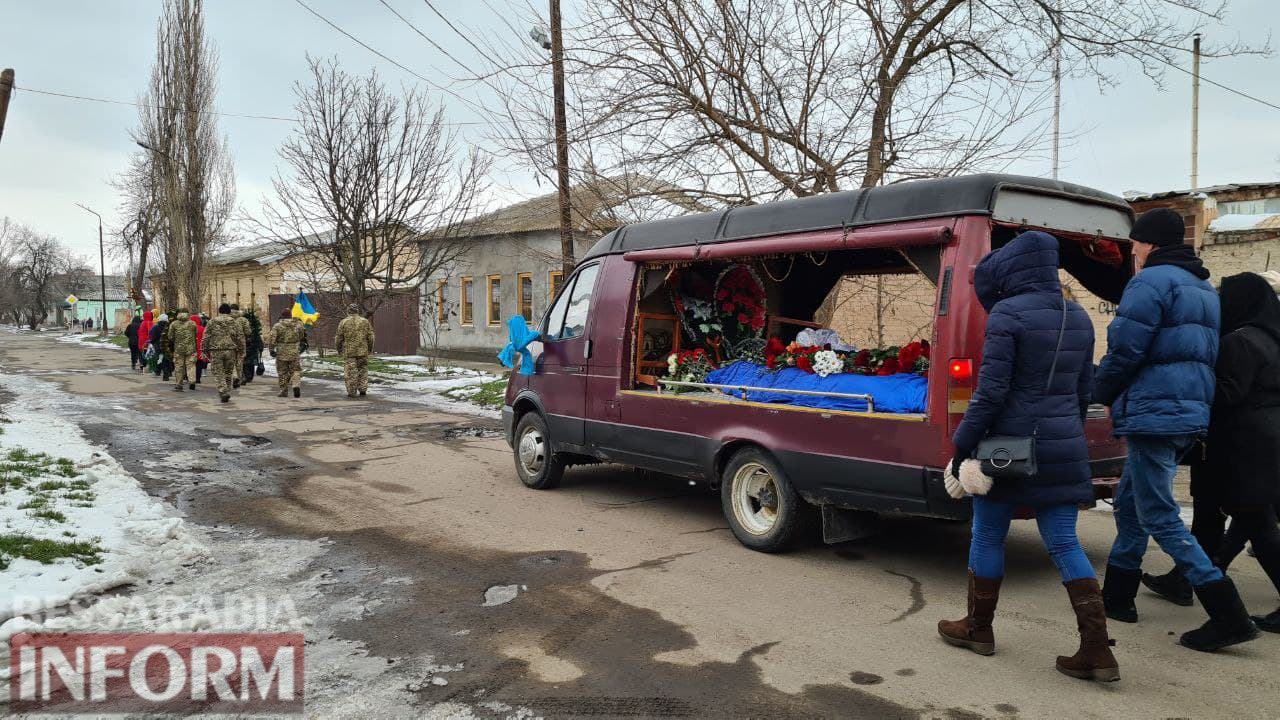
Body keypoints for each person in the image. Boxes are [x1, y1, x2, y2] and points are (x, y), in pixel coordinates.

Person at [938, 231, 1117, 681]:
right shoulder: (1077, 316)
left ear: (1013, 270)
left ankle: (978, 629)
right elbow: (1082, 392)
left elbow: (992, 391)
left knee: (987, 534)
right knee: (1063, 541)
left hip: (1008, 446)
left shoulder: (1007, 313)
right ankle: (1097, 649)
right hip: (1064, 443)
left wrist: (963, 444)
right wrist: (1065, 434)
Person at [1095, 208, 1258, 653]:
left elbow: (1126, 349)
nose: (1132, 251)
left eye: (1134, 244)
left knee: (1159, 515)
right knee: (1131, 502)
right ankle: (1118, 597)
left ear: (1149, 245)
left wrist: (1097, 392)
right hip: (1186, 409)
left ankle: (1228, 613)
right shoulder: (1203, 288)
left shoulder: (1149, 282)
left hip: (1153, 410)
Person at [204, 304, 244, 403]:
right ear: (229, 311)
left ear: (219, 311)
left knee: (219, 372)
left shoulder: (212, 322)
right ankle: (227, 391)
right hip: (231, 351)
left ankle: (223, 391)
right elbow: (240, 337)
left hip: (216, 351)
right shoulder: (234, 322)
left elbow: (206, 336)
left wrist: (204, 349)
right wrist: (242, 350)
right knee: (228, 372)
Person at [335, 303, 375, 398]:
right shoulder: (365, 321)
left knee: (351, 372)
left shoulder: (344, 322)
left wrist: (339, 349)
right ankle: (363, 389)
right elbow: (371, 337)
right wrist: (370, 348)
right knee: (363, 370)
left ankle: (352, 392)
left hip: (349, 352)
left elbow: (338, 338)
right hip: (363, 351)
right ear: (357, 311)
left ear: (348, 311)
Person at [267, 308, 306, 398]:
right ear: (291, 316)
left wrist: (271, 350)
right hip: (294, 351)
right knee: (295, 370)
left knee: (282, 372)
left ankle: (283, 391)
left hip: (281, 352)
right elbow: (302, 336)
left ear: (282, 316)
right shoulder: (298, 325)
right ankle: (296, 385)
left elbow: (272, 339)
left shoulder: (277, 326)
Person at [166, 309, 197, 391]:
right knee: (191, 365)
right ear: (188, 314)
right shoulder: (192, 323)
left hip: (179, 348)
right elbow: (196, 334)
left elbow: (170, 336)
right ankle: (192, 381)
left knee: (179, 366)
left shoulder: (174, 324)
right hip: (191, 348)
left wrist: (176, 341)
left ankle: (179, 383)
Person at [230, 305, 250, 389]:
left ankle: (235, 376)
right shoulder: (243, 319)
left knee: (231, 361)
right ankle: (239, 377)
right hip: (241, 342)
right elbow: (248, 332)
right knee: (240, 361)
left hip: (229, 342)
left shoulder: (227, 319)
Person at [150, 312, 171, 380]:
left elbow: (153, 336)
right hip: (167, 345)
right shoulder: (169, 327)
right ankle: (168, 372)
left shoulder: (155, 327)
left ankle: (158, 371)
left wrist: (152, 342)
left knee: (159, 358)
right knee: (167, 359)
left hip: (158, 345)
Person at [193, 313, 208, 385]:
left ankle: (190, 377)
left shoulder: (190, 329)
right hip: (200, 348)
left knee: (191, 364)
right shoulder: (203, 329)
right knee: (199, 364)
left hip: (192, 348)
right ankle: (198, 378)